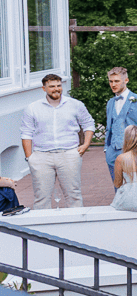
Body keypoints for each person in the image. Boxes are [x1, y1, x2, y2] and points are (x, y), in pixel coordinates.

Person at [20, 73, 94, 208]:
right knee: (41, 197)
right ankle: (42, 227)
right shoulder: (32, 108)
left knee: (73, 195)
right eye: (52, 86)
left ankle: (77, 226)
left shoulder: (75, 105)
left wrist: (86, 144)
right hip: (41, 156)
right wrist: (29, 158)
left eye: (59, 85)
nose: (56, 89)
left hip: (69, 154)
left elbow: (89, 123)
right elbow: (26, 133)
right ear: (44, 88)